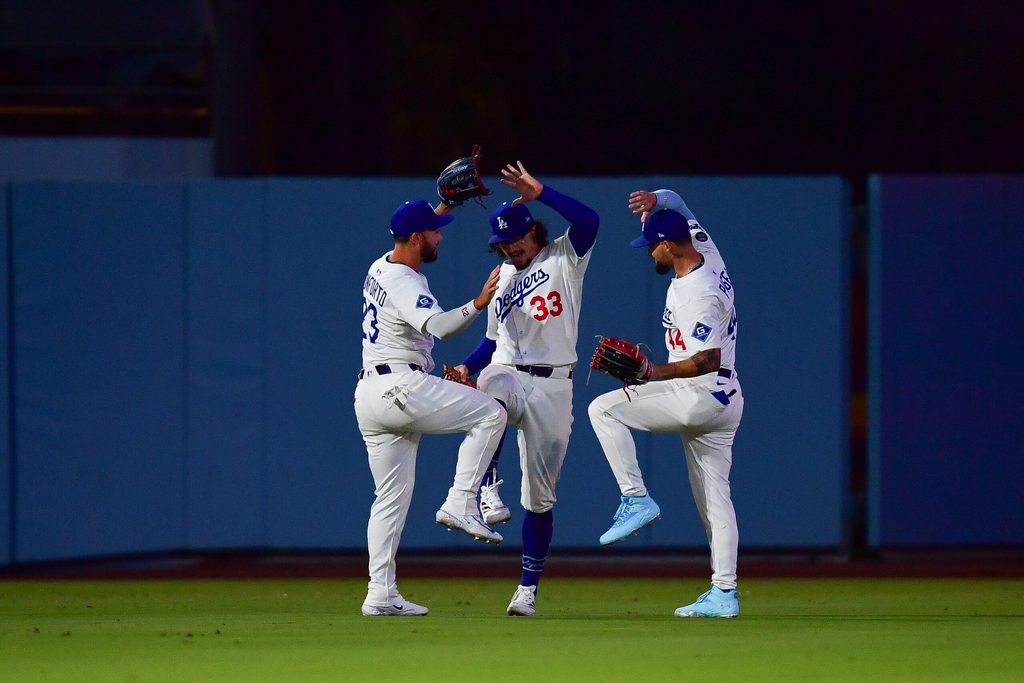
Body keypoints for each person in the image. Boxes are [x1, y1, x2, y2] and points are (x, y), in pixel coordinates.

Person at [587, 189, 744, 618]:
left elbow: (705, 359)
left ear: (670, 245)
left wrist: (654, 373)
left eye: (651, 245)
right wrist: (655, 199)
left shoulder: (699, 292)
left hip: (699, 394)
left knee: (602, 409)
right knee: (715, 500)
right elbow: (677, 202)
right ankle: (724, 593)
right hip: (727, 399)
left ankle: (635, 498)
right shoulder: (704, 248)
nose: (648, 252)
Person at [452, 161, 599, 616]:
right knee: (490, 388)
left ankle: (527, 590)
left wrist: (541, 190)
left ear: (531, 232)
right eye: (501, 244)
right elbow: (493, 343)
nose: (508, 249)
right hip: (510, 370)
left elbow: (591, 219)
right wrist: (464, 365)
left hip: (556, 386)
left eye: (513, 240)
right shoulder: (503, 280)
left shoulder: (563, 256)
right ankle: (486, 489)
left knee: (539, 498)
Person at [356, 198, 508, 617]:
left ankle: (380, 593)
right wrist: (479, 302)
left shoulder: (379, 265)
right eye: (436, 230)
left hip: (370, 394)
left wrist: (439, 204)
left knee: (388, 499)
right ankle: (461, 500)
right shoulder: (405, 281)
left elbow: (413, 222)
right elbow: (438, 326)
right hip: (401, 386)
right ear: (418, 238)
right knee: (492, 413)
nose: (441, 236)